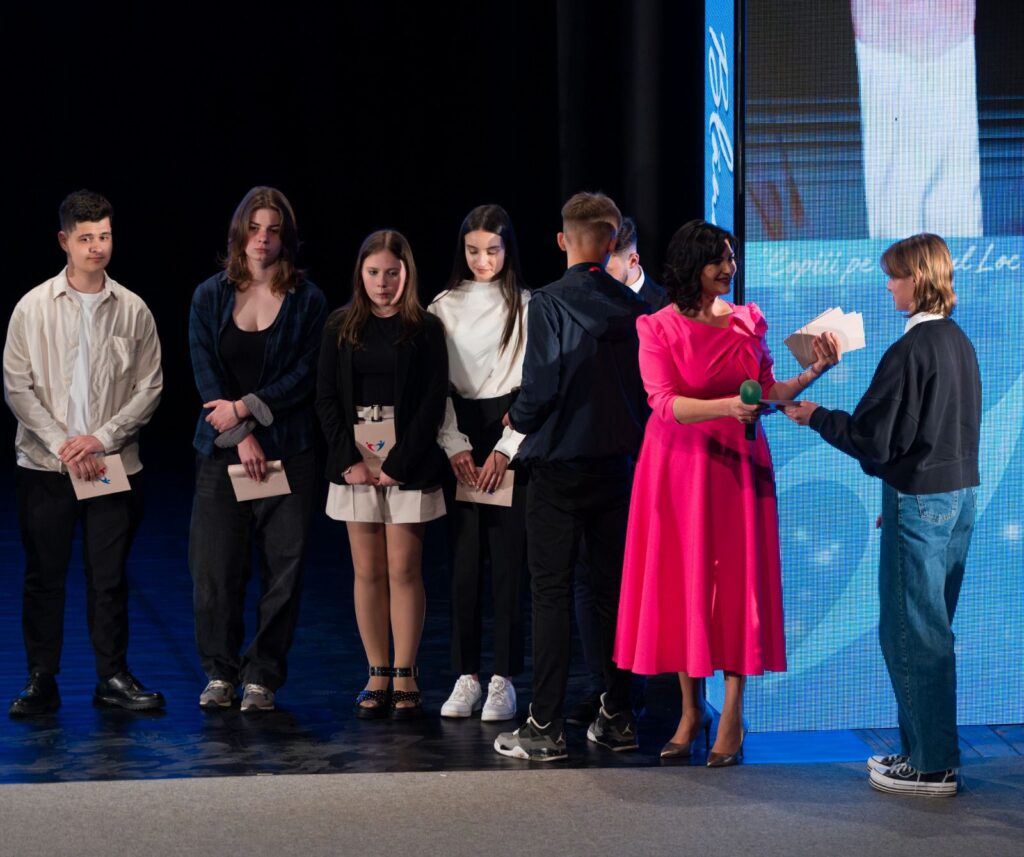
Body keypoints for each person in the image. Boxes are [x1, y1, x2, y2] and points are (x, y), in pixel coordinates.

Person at [613, 219, 839, 766]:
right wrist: (728, 407)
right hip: (678, 468)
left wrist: (813, 371)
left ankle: (733, 713)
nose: (729, 268)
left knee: (737, 584)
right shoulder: (657, 327)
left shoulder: (747, 321)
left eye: (732, 257)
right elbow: (663, 403)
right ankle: (691, 711)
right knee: (683, 582)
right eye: (719, 259)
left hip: (739, 465)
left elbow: (768, 392)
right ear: (693, 264)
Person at [784, 233, 980, 797]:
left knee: (913, 635)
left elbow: (876, 438)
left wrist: (816, 415)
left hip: (921, 500)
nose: (888, 286)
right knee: (930, 630)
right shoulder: (958, 341)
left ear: (916, 278)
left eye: (894, 276)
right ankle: (923, 751)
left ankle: (931, 765)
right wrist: (901, 493)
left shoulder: (911, 349)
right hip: (953, 499)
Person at [493, 191, 648, 761]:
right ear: (612, 242)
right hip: (619, 470)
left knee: (552, 594)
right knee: (612, 593)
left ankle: (545, 726)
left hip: (558, 470)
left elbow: (541, 386)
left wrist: (517, 418)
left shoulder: (548, 303)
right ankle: (618, 717)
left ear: (562, 240)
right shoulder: (638, 310)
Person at [4, 189, 164, 715]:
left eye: (105, 236)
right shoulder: (32, 307)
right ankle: (41, 679)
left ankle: (111, 676)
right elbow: (17, 386)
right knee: (44, 576)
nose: (98, 247)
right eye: (87, 238)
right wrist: (62, 445)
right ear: (64, 241)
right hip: (45, 466)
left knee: (109, 576)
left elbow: (150, 387)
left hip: (110, 463)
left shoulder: (133, 309)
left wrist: (101, 439)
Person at [188, 186, 327, 713]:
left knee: (283, 573)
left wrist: (247, 408)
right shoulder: (209, 295)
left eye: (273, 230)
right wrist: (240, 433)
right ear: (239, 232)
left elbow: (305, 375)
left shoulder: (308, 300)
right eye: (254, 228)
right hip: (222, 450)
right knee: (213, 571)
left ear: (286, 237)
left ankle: (262, 675)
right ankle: (220, 673)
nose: (262, 239)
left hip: (288, 450)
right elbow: (205, 371)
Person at [316, 229, 448, 720]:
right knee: (367, 571)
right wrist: (346, 460)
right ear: (361, 274)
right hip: (355, 465)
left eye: (392, 273)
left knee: (403, 570)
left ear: (406, 273)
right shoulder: (339, 325)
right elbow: (326, 398)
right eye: (373, 272)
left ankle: (406, 673)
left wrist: (398, 463)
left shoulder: (425, 328)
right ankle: (377, 672)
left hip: (407, 464)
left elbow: (432, 401)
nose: (382, 282)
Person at [428, 205, 529, 722]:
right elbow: (435, 385)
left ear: (508, 249)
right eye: (473, 250)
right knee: (464, 563)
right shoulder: (442, 306)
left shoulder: (527, 305)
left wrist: (507, 448)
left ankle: (503, 678)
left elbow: (535, 387)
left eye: (492, 250)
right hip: (460, 435)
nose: (482, 260)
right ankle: (465, 674)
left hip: (510, 433)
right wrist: (453, 444)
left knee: (508, 564)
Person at [568, 215, 667, 726]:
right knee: (590, 576)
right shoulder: (579, 300)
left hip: (650, 461)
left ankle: (632, 686)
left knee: (639, 578)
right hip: (596, 457)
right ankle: (600, 683)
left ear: (632, 260)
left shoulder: (664, 307)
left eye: (605, 268)